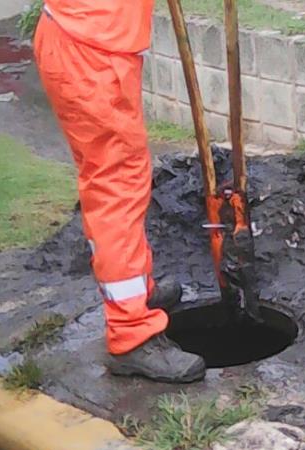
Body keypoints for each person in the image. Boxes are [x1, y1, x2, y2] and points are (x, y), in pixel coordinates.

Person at [33, 0, 205, 383]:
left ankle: (135, 293)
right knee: (116, 187)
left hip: (90, 41)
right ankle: (131, 335)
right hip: (90, 52)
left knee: (122, 176)